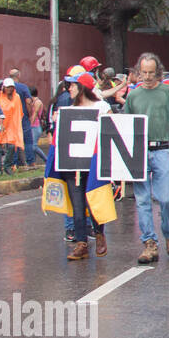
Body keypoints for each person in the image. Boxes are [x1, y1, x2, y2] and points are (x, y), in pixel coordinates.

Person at [124, 53, 169, 264]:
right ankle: (149, 243)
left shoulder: (168, 92)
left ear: (158, 72)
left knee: (167, 197)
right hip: (139, 151)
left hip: (162, 149)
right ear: (138, 72)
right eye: (144, 73)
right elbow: (123, 126)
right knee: (142, 200)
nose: (147, 77)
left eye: (151, 73)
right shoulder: (133, 95)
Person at [57, 72, 113, 260]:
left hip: (94, 163)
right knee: (78, 205)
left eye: (72, 85)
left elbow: (112, 130)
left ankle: (99, 234)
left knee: (94, 200)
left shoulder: (101, 107)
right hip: (73, 165)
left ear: (82, 88)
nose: (69, 89)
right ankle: (81, 243)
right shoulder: (69, 108)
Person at [0, 79, 25, 173]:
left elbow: (19, 112)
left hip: (13, 126)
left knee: (12, 147)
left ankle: (7, 166)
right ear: (4, 88)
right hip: (2, 125)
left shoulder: (16, 97)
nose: (10, 89)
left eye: (11, 87)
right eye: (8, 87)